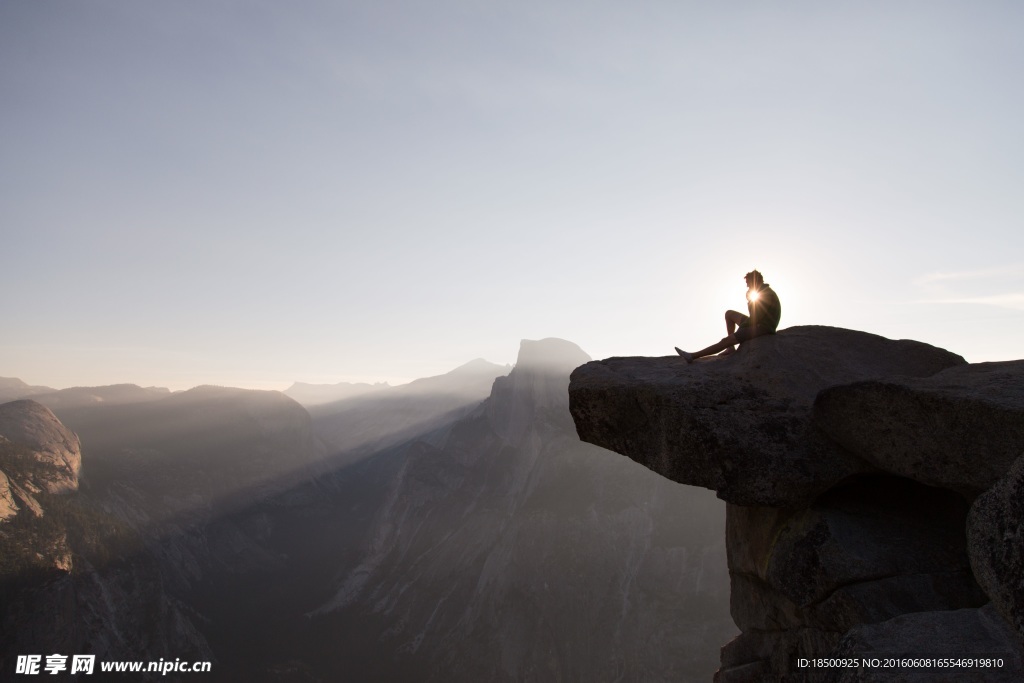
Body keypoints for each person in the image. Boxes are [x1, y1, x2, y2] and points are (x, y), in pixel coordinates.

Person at [675, 270, 781, 363]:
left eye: (748, 284)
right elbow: (755, 315)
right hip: (758, 322)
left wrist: (741, 329)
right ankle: (731, 348)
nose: (747, 286)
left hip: (763, 327)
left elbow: (755, 318)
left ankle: (692, 356)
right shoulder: (762, 291)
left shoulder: (765, 294)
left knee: (726, 340)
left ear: (755, 281)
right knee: (729, 314)